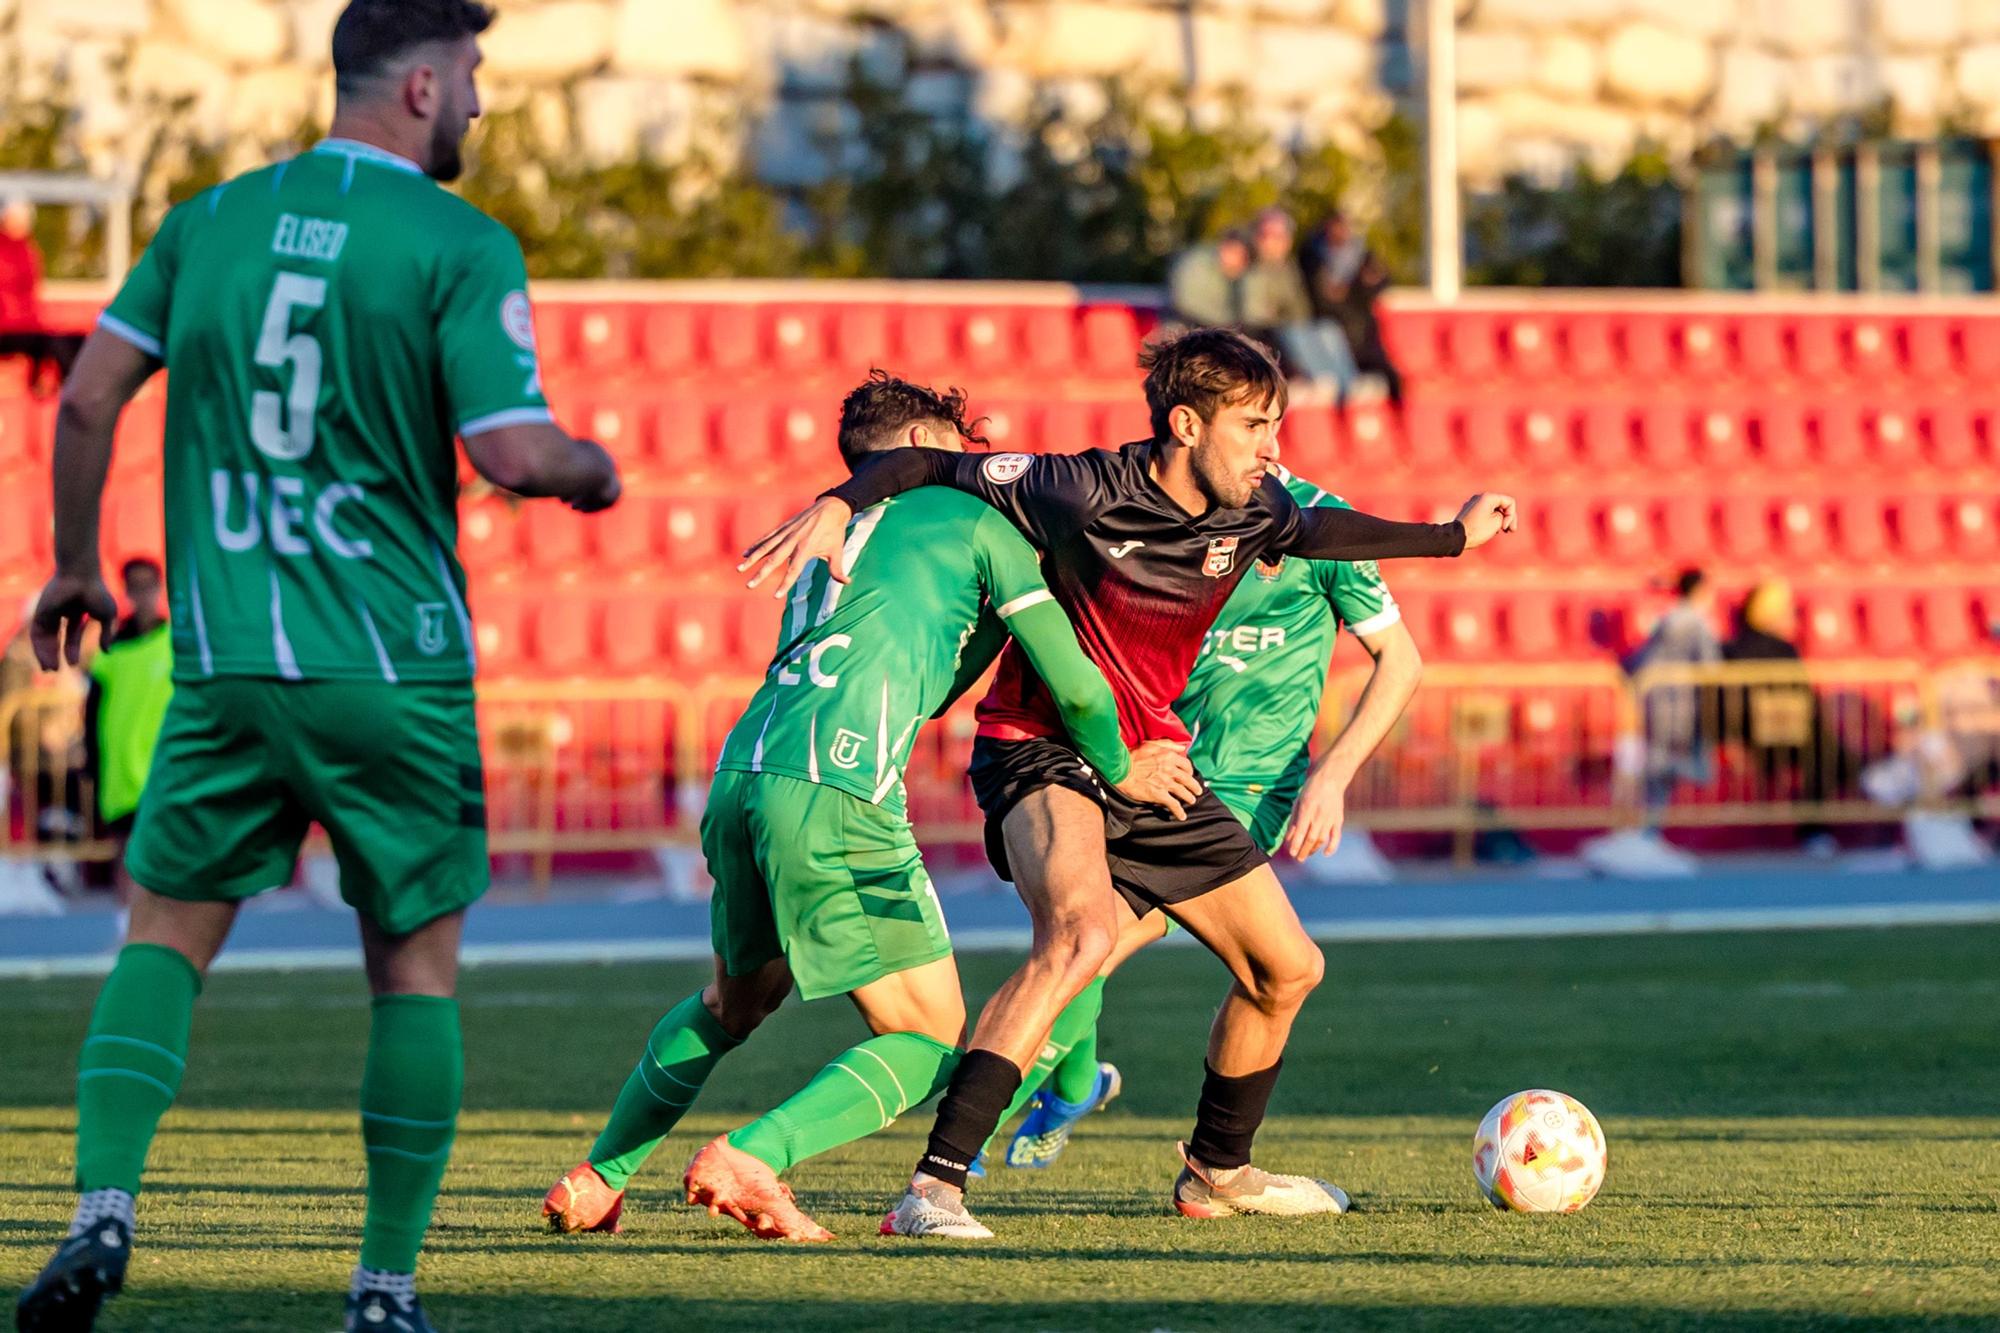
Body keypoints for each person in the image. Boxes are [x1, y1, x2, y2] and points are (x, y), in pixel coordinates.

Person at [16, 4, 622, 1331]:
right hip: (390, 671)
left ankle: (100, 1211)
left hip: (228, 662)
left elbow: (86, 397)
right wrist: (594, 472)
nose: (477, 103)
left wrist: (71, 565)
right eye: (470, 78)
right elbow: (516, 455)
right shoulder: (459, 243)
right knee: (412, 971)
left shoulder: (207, 221)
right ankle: (382, 1290)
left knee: (163, 938)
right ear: (418, 82)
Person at [741, 327, 1516, 1238]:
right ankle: (933, 1189)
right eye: (1256, 425)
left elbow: (1328, 530)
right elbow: (921, 471)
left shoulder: (1258, 509)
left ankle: (1216, 1173)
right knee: (1079, 935)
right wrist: (839, 501)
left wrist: (1454, 538)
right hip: (1043, 745)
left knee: (1287, 968)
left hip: (1154, 759)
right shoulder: (1078, 487)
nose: (1273, 448)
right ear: (1186, 424)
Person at [540, 372, 1195, 1243]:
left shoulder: (838, 526)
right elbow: (1077, 688)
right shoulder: (976, 520)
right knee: (930, 1036)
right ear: (924, 445)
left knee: (737, 1000)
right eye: (957, 450)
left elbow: (921, 679)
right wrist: (1120, 768)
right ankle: (754, 1154)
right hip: (838, 790)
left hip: (743, 773)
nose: (974, 466)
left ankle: (599, 1175)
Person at [995, 463, 1424, 1170]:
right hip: (1160, 769)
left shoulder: (1313, 520)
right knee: (1084, 944)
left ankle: (975, 1138)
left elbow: (1400, 661)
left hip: (1248, 789)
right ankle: (1077, 1085)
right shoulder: (1173, 520)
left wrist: (1333, 777)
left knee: (1100, 943)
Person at [83, 559, 174, 891]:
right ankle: (128, 928)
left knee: (167, 854)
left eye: (149, 585)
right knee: (127, 855)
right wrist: (92, 763)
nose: (144, 594)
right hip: (121, 776)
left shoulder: (175, 643)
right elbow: (92, 714)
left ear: (160, 587)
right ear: (127, 592)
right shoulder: (111, 652)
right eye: (136, 586)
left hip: (166, 770)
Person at [1243, 208, 1356, 395]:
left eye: (1281, 236)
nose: (1275, 242)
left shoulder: (1289, 269)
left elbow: (1299, 306)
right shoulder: (1253, 268)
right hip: (1266, 330)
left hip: (1291, 324)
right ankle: (1321, 382)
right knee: (1296, 334)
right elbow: (1256, 311)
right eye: (1269, 236)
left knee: (1327, 329)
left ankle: (1349, 386)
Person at [1303, 211, 1403, 406]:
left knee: (1391, 377)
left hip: (1363, 329)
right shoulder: (1313, 257)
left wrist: (1362, 285)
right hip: (1335, 329)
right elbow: (1320, 298)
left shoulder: (1362, 254)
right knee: (1345, 384)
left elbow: (1380, 281)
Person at [0, 196, 86, 395]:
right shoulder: (11, 252)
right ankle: (72, 391)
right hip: (8, 329)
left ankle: (77, 387)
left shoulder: (27, 250)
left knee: (75, 339)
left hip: (25, 327)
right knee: (51, 342)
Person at [1167, 230, 1251, 331]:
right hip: (1188, 323)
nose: (1239, 260)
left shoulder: (1241, 274)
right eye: (1235, 253)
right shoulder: (1197, 264)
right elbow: (1187, 304)